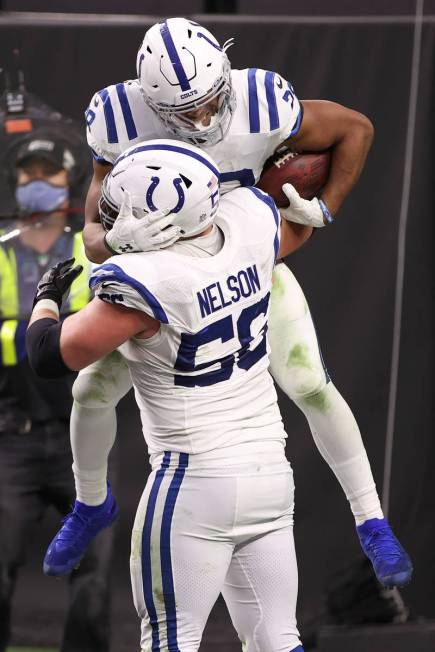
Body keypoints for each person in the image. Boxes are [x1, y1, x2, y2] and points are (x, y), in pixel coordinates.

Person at [57, 17, 411, 587]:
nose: (200, 119)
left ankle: (371, 520)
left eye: (209, 103)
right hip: (165, 288)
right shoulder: (120, 119)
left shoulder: (261, 101)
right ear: (149, 102)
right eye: (183, 112)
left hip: (244, 269)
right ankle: (91, 502)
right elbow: (94, 229)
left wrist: (324, 209)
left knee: (312, 386)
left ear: (226, 71)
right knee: (90, 390)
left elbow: (356, 129)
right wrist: (115, 238)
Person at [27, 139, 316, 652]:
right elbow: (296, 230)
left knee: (169, 642)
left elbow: (50, 355)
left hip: (193, 484)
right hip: (270, 473)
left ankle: (90, 500)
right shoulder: (250, 228)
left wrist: (46, 298)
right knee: (277, 638)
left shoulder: (147, 283)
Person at [0, 135, 113, 652]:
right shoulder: (1, 251)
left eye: (48, 172)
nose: (37, 182)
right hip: (11, 440)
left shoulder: (89, 253)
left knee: (94, 574)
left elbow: (111, 331)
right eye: (28, 173)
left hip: (82, 436)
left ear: (68, 180)